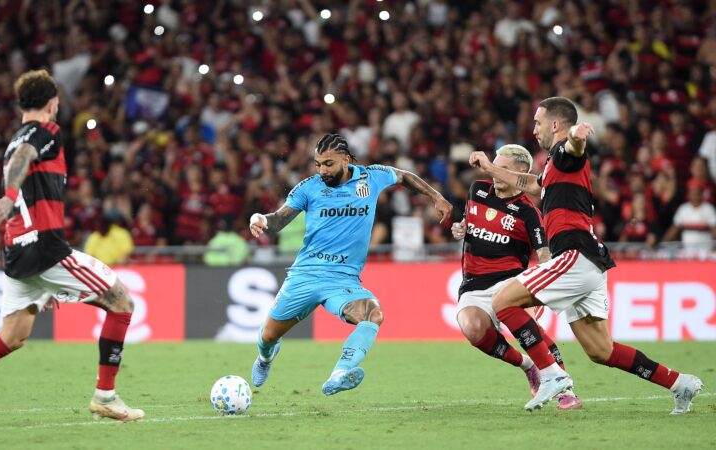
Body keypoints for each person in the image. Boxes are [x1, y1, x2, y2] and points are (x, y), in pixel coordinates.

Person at [0, 70, 144, 433]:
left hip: (18, 252)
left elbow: (20, 159)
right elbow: (26, 157)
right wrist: (9, 198)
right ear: (52, 103)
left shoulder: (12, 141)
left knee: (12, 336)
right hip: (46, 247)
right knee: (121, 302)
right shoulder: (45, 134)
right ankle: (105, 396)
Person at [469, 96, 702, 413]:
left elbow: (573, 151)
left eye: (538, 123)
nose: (534, 129)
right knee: (600, 350)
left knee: (501, 301)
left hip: (574, 254)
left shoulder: (565, 154)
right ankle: (679, 383)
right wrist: (489, 167)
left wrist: (576, 137)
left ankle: (550, 375)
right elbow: (531, 184)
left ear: (554, 124)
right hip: (591, 262)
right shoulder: (552, 165)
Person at [249, 133, 452, 395]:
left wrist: (436, 196)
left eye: (328, 164)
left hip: (343, 280)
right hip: (306, 275)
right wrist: (261, 219)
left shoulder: (371, 177)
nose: (322, 170)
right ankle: (265, 358)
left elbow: (403, 176)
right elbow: (278, 219)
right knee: (268, 336)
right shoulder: (308, 188)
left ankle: (340, 373)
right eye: (318, 164)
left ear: (345, 160)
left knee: (373, 314)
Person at [451, 144, 581, 410]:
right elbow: (470, 223)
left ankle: (566, 390)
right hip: (474, 285)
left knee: (532, 334)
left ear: (522, 172)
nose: (496, 173)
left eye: (503, 168)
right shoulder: (477, 190)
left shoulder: (528, 212)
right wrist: (461, 227)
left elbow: (544, 253)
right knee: (472, 329)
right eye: (494, 166)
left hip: (510, 282)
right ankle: (528, 365)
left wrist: (544, 282)